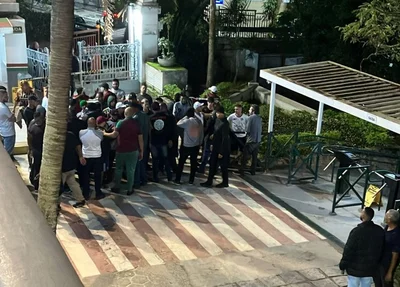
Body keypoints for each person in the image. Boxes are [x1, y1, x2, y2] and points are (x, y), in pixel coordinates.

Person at [339, 207, 385, 287]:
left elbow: (348, 250)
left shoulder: (356, 231)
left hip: (354, 269)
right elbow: (381, 250)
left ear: (363, 215)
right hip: (369, 269)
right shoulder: (379, 231)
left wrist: (342, 265)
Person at [105, 107, 144, 195]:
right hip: (133, 150)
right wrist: (141, 151)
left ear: (125, 114)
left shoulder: (120, 123)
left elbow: (114, 135)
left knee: (118, 169)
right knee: (131, 170)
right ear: (132, 114)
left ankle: (117, 187)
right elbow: (140, 139)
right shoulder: (137, 124)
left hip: (121, 150)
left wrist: (104, 133)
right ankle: (130, 189)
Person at [200, 106, 230, 188]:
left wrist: (221, 152)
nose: (216, 114)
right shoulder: (217, 120)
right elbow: (216, 131)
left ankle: (225, 182)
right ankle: (209, 181)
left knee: (223, 166)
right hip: (215, 146)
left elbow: (225, 138)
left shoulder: (225, 123)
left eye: (218, 113)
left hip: (221, 148)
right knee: (212, 164)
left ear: (221, 113)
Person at [175, 108, 203, 185]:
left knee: (181, 163)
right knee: (193, 163)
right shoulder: (199, 121)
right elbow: (201, 133)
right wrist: (200, 142)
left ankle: (178, 179)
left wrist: (185, 117)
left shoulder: (187, 121)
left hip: (186, 145)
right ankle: (191, 180)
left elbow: (178, 123)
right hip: (196, 144)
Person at [79, 117, 105, 200]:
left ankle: (86, 193)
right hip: (97, 156)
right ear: (95, 124)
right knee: (97, 176)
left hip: (86, 156)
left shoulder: (81, 132)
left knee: (86, 176)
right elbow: (102, 139)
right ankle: (98, 193)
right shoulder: (99, 133)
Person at [149, 102, 174, 182]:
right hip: (163, 140)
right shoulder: (166, 117)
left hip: (154, 141)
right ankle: (169, 176)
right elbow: (169, 129)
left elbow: (149, 130)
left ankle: (155, 177)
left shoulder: (150, 118)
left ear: (152, 109)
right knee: (166, 159)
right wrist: (170, 139)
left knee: (155, 160)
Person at [62, 129, 87, 208]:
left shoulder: (58, 138)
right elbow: (78, 146)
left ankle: (56, 205)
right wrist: (80, 157)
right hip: (71, 165)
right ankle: (80, 199)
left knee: (58, 186)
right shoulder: (71, 134)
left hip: (62, 167)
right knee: (73, 183)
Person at [378, 209, 400, 287]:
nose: (384, 216)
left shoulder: (396, 235)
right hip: (380, 261)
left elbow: (395, 255)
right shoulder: (387, 227)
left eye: (386, 215)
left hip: (387, 264)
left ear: (390, 218)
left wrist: (390, 272)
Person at [240, 104, 262, 176]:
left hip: (251, 139)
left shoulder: (250, 118)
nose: (248, 111)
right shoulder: (259, 118)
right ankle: (253, 171)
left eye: (250, 109)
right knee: (254, 157)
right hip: (258, 139)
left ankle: (242, 170)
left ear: (253, 111)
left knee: (245, 155)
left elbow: (247, 129)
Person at [27, 112, 45, 190]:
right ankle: (35, 182)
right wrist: (30, 149)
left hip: (40, 149)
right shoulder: (34, 127)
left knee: (37, 166)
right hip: (37, 150)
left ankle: (34, 181)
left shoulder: (41, 126)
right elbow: (29, 138)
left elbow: (29, 138)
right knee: (37, 166)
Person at [0, 86, 16, 156]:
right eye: (5, 95)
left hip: (3, 132)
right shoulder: (3, 107)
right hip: (9, 134)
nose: (7, 96)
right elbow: (13, 119)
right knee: (7, 154)